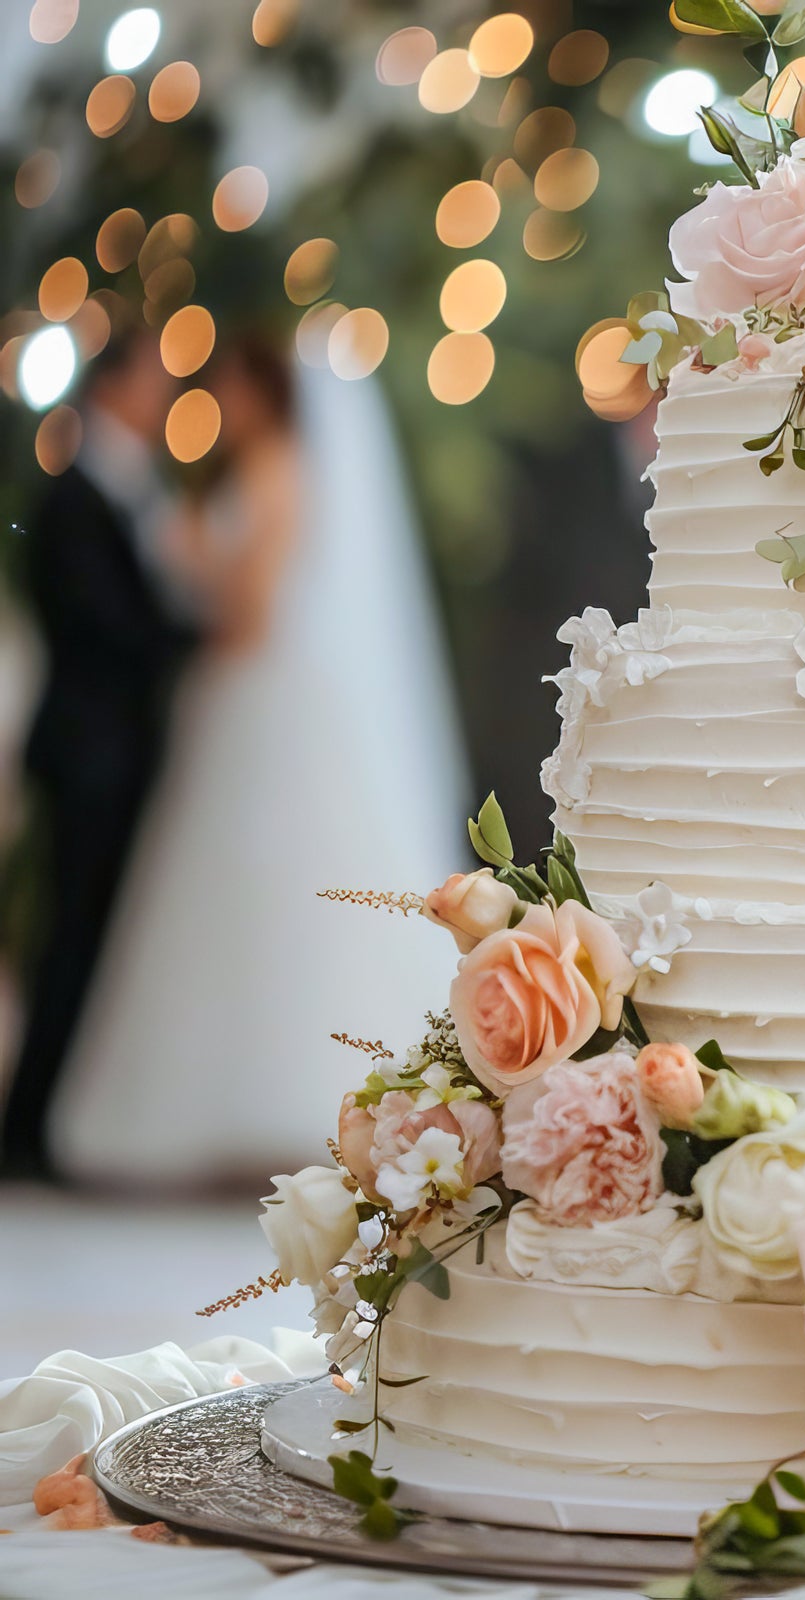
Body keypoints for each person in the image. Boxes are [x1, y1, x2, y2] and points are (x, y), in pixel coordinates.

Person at [49, 339, 466, 1189]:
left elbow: (253, 614)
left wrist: (190, 573)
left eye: (231, 386)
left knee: (267, 900)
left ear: (264, 395)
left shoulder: (275, 472)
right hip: (253, 708)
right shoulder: (273, 472)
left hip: (259, 703)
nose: (219, 403)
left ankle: (279, 1100)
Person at [2, 330, 198, 1183]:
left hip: (115, 750)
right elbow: (101, 625)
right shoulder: (72, 494)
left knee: (87, 940)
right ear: (115, 383)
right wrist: (192, 636)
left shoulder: (133, 486)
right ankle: (24, 1129)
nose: (164, 394)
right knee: (68, 939)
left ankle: (44, 1120)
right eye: (153, 377)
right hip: (87, 750)